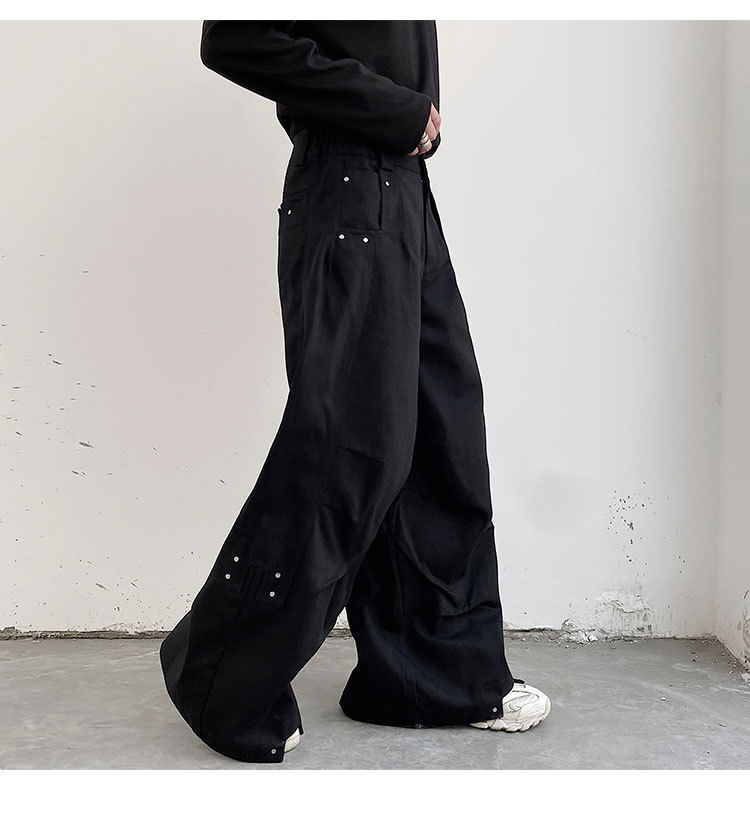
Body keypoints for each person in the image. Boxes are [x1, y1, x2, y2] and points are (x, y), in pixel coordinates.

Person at [159, 20, 551, 764]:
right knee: (351, 450)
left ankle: (426, 679)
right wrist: (393, 109)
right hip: (348, 188)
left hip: (402, 193)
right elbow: (234, 38)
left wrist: (407, 120)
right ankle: (219, 675)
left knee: (440, 438)